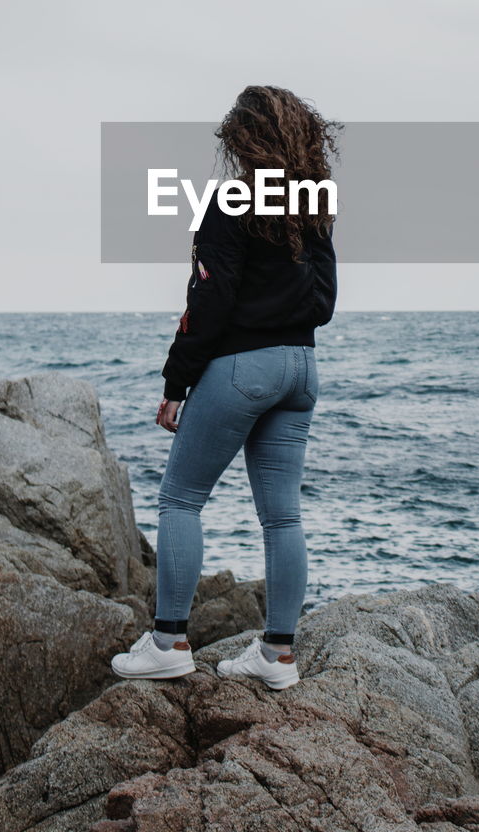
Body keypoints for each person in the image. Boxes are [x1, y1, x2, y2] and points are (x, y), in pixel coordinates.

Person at [111, 85, 339, 690]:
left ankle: (168, 642)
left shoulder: (228, 203)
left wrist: (176, 381)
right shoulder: (312, 208)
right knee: (283, 517)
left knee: (181, 498)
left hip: (244, 367)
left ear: (243, 141)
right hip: (303, 370)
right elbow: (325, 303)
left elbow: (210, 301)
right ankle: (278, 657)